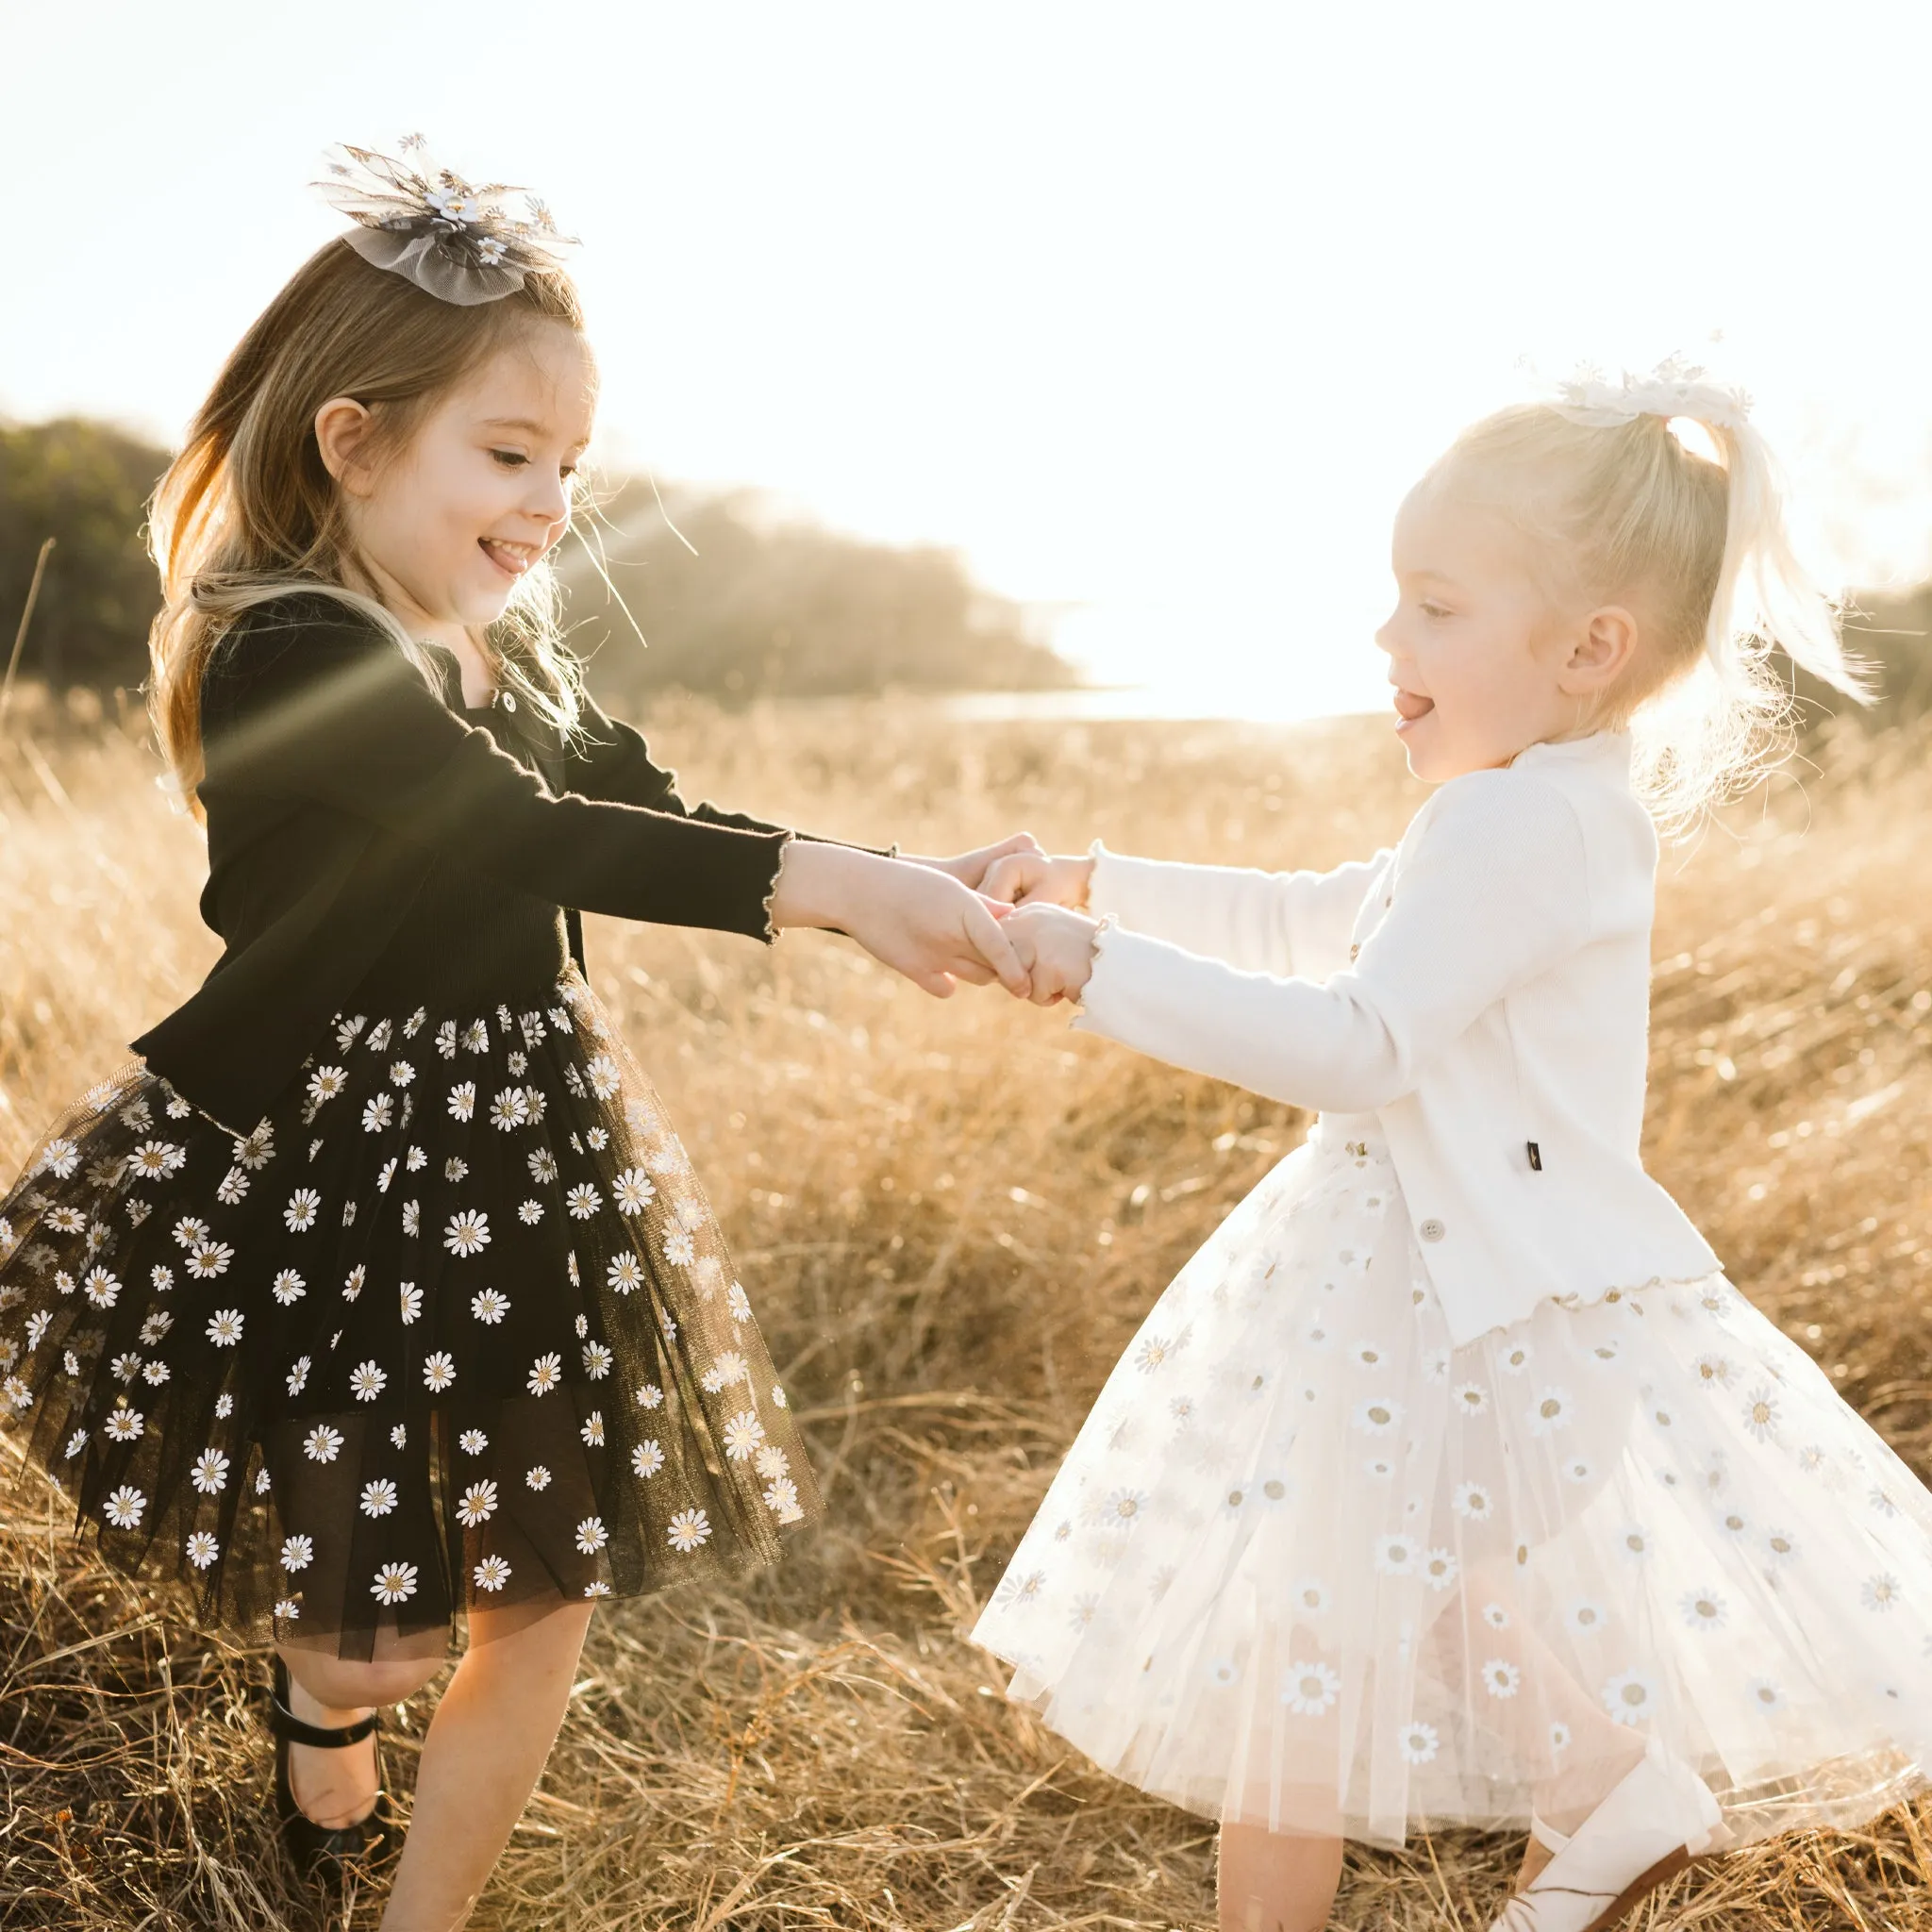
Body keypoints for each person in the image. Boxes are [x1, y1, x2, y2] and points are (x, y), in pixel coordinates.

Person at [0, 138, 1031, 1930]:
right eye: (508, 456)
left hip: (525, 1147)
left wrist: (891, 875)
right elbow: (514, 833)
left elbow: (641, 801)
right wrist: (840, 890)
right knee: (380, 1637)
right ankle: (323, 1691)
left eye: (570, 466)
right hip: (321, 1156)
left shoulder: (515, 646)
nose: (552, 503)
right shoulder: (289, 650)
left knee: (533, 1592)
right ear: (354, 438)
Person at [968, 365, 1932, 1932]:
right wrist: (1099, 883)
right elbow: (1313, 917)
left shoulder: (1518, 825)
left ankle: (1606, 1799)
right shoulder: (1537, 803)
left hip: (1461, 1323)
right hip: (1468, 1307)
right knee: (1385, 1611)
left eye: (1434, 607)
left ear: (1586, 648)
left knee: (1303, 1666)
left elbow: (1361, 1040)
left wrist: (1094, 970)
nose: (1387, 641)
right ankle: (1613, 1794)